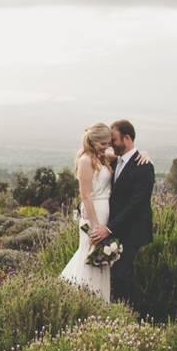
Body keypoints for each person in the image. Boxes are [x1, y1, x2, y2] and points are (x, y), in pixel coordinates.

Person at [88, 120, 155, 305]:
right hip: (117, 228)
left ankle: (131, 316)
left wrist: (108, 229)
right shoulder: (116, 160)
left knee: (122, 275)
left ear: (126, 138)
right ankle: (118, 311)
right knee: (116, 275)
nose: (110, 144)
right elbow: (91, 150)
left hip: (133, 231)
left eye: (114, 140)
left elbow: (137, 205)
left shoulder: (144, 166)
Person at [60, 123, 115, 302]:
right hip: (94, 214)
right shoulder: (85, 160)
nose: (107, 147)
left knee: (101, 258)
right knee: (90, 254)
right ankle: (82, 300)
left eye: (109, 143)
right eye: (104, 144)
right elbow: (85, 195)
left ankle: (99, 301)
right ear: (93, 141)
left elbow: (124, 155)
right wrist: (96, 225)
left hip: (105, 212)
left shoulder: (102, 157)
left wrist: (145, 155)